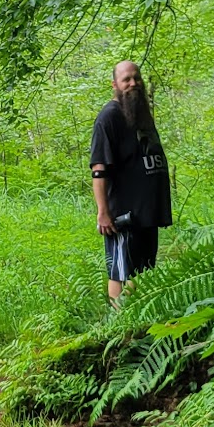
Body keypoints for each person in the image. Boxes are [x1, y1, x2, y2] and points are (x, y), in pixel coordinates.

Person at [90, 60, 172, 303]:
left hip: (146, 213)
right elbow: (98, 169)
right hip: (123, 215)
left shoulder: (139, 114)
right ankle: (120, 327)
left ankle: (138, 324)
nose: (133, 83)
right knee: (120, 272)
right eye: (127, 79)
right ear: (115, 84)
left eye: (137, 78)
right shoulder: (109, 118)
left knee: (144, 270)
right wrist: (102, 212)